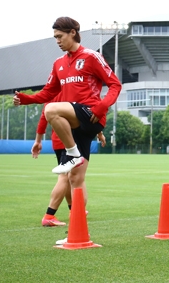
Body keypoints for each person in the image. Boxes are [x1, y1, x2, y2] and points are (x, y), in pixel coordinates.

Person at [14, 17, 121, 185]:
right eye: (55, 37)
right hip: (74, 123)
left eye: (59, 36)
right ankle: (78, 212)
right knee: (75, 179)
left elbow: (115, 85)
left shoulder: (92, 56)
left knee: (51, 109)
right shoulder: (58, 63)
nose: (57, 41)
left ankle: (73, 153)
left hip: (91, 114)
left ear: (73, 33)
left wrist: (102, 106)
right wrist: (26, 99)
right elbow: (48, 92)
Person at [33, 106, 106, 227]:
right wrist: (99, 132)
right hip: (70, 138)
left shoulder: (53, 97)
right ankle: (50, 215)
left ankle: (73, 210)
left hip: (57, 139)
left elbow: (43, 117)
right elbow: (89, 113)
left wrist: (38, 140)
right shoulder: (71, 92)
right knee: (69, 177)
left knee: (69, 176)